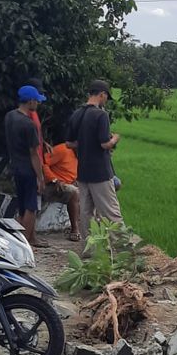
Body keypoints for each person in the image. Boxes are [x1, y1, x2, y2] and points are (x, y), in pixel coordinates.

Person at [66, 79, 123, 235]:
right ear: (102, 94)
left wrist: (85, 143)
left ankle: (89, 250)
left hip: (83, 172)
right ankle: (121, 247)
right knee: (111, 211)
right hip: (100, 172)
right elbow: (105, 144)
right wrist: (115, 139)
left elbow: (69, 144)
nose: (106, 101)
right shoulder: (101, 115)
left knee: (86, 213)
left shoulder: (77, 114)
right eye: (106, 97)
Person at [5, 85, 47, 247]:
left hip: (15, 166)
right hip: (28, 168)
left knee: (22, 204)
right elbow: (34, 154)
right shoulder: (28, 124)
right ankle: (25, 242)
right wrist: (40, 177)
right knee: (31, 207)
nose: (38, 104)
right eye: (36, 101)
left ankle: (26, 238)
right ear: (30, 101)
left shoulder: (10, 117)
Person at [42, 131, 81, 241]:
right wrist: (54, 179)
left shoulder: (81, 154)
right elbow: (43, 163)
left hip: (68, 184)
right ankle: (75, 229)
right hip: (51, 185)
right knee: (74, 192)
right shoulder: (63, 149)